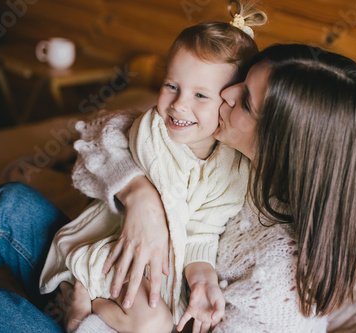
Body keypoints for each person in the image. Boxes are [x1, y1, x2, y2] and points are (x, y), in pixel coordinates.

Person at [0, 43, 356, 333]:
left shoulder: (280, 288)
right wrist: (139, 195)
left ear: (282, 143)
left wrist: (86, 322)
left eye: (246, 101)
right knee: (11, 205)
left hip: (117, 323)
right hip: (103, 277)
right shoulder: (237, 155)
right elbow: (111, 131)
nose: (226, 94)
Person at [39, 2, 267, 332]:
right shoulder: (152, 133)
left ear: (230, 100)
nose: (178, 104)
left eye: (200, 95)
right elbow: (105, 138)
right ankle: (84, 296)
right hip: (112, 251)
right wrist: (137, 191)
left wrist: (203, 279)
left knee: (162, 320)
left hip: (159, 271)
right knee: (154, 323)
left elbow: (203, 232)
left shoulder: (231, 171)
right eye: (171, 86)